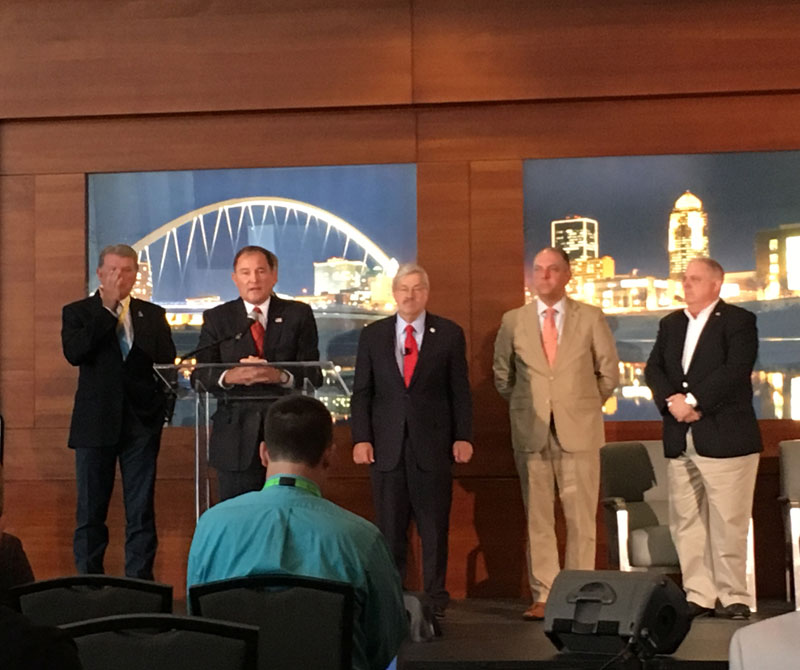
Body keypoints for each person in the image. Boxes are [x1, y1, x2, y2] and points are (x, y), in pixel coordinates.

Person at [187, 395, 408, 670]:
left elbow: (199, 629)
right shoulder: (363, 538)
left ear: (264, 453)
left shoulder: (210, 527)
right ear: (330, 454)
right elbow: (384, 644)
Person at [493, 246, 619, 620]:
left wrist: (579, 404)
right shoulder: (513, 320)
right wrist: (529, 406)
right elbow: (503, 375)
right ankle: (545, 595)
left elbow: (608, 373)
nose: (544, 275)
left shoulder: (591, 317)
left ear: (567, 275)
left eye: (552, 269)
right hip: (531, 431)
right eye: (538, 269)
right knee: (538, 518)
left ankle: (581, 594)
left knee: (582, 519)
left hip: (579, 431)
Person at [351, 263, 473, 617]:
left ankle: (435, 600)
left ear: (426, 293)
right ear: (394, 292)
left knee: (435, 529)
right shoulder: (373, 335)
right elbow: (363, 393)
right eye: (403, 288)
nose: (409, 294)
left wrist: (463, 436)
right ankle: (393, 599)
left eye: (417, 288)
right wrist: (362, 439)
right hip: (385, 450)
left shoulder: (448, 333)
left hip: (433, 448)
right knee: (389, 530)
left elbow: (460, 393)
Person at [645, 257, 762, 620]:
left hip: (726, 437)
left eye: (695, 279)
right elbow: (654, 369)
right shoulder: (671, 323)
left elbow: (735, 370)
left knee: (729, 521)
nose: (687, 284)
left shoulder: (740, 321)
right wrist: (673, 403)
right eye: (685, 278)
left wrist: (693, 402)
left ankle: (733, 596)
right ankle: (699, 594)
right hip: (682, 439)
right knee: (686, 522)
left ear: (716, 285)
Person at [62, 244, 175, 579]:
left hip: (141, 425)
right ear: (100, 273)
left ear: (136, 274)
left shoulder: (152, 314)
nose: (119, 277)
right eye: (112, 270)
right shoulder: (78, 312)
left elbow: (166, 368)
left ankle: (140, 587)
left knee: (140, 513)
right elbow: (75, 352)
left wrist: (159, 415)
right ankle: (89, 586)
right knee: (90, 513)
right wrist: (108, 309)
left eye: (127, 270)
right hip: (94, 425)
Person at [194, 245, 320, 502]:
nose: (253, 279)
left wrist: (279, 376)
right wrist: (230, 377)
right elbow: (199, 376)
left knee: (285, 510)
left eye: (261, 271)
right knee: (236, 516)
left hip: (286, 435)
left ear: (274, 275)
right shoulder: (218, 318)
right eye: (245, 272)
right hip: (235, 437)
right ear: (235, 278)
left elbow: (314, 374)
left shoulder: (298, 314)